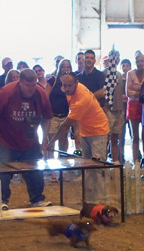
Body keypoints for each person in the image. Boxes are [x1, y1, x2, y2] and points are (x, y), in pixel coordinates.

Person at [0, 69, 53, 210]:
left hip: (30, 141)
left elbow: (48, 118)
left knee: (35, 171)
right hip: (6, 139)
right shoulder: (7, 92)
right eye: (27, 85)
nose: (31, 89)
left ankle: (37, 198)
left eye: (33, 85)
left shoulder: (41, 93)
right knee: (3, 171)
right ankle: (2, 200)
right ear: (20, 83)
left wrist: (44, 140)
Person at [48, 72, 109, 203]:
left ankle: (100, 202)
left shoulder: (82, 98)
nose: (66, 88)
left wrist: (50, 144)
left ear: (76, 83)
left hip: (98, 131)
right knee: (86, 166)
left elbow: (64, 126)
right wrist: (78, 132)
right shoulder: (70, 91)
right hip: (86, 130)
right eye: (64, 85)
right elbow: (75, 117)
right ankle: (88, 199)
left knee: (97, 167)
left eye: (69, 85)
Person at [45, 59, 72, 160]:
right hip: (53, 116)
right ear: (59, 68)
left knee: (63, 143)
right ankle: (51, 170)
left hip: (65, 116)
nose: (65, 68)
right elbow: (45, 97)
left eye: (68, 66)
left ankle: (62, 167)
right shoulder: (53, 80)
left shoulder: (71, 82)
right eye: (63, 66)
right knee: (51, 142)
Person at [103, 49, 124, 163]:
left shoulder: (119, 74)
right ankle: (104, 162)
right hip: (109, 110)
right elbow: (104, 91)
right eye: (113, 57)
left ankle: (115, 162)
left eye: (117, 58)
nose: (115, 60)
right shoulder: (105, 73)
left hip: (119, 110)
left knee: (115, 138)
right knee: (106, 138)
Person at [126, 50, 144, 164]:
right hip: (133, 105)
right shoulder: (130, 73)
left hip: (143, 106)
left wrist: (135, 91)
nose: (140, 63)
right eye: (138, 61)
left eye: (142, 61)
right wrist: (141, 93)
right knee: (135, 136)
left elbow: (132, 91)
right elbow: (128, 92)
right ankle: (135, 160)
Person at [119, 59, 132, 163]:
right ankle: (120, 155)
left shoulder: (132, 78)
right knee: (121, 134)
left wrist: (128, 96)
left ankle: (137, 155)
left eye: (127, 66)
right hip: (121, 110)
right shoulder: (119, 79)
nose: (125, 68)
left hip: (131, 108)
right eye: (123, 66)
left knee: (133, 134)